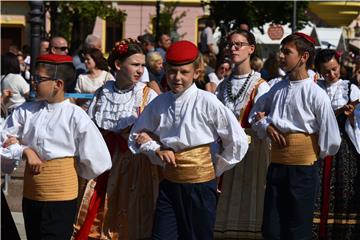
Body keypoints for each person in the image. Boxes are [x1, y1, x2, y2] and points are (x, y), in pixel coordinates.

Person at [128, 40, 249, 239]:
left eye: (184, 72)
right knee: (162, 236)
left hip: (200, 187)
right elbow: (136, 135)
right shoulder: (160, 102)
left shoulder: (207, 101)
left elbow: (237, 140)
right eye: (172, 71)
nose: (177, 77)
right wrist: (155, 149)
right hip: (169, 184)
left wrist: (214, 168)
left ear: (196, 72)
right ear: (165, 70)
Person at [0, 54, 112, 240]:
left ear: (58, 84)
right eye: (33, 78)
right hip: (31, 195)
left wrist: (67, 171)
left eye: (39, 79)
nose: (33, 83)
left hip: (61, 195)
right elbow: (3, 141)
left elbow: (98, 159)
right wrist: (25, 150)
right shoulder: (25, 111)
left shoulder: (75, 115)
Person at [249, 32, 342, 240]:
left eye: (287, 52)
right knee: (272, 229)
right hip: (276, 167)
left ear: (304, 57)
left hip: (303, 170)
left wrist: (308, 152)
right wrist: (266, 126)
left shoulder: (316, 93)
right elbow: (254, 115)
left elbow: (332, 138)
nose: (281, 56)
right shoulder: (276, 88)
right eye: (281, 51)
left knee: (297, 230)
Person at [72, 39, 159, 240]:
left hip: (134, 164)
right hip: (103, 160)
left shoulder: (147, 95)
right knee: (94, 211)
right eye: (135, 65)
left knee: (127, 213)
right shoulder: (103, 93)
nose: (140, 70)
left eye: (142, 65)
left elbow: (158, 129)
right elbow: (89, 125)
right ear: (118, 65)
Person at [214, 29, 270, 239]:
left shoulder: (260, 85)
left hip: (252, 150)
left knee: (250, 196)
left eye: (239, 44)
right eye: (231, 44)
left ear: (251, 49)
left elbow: (263, 123)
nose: (234, 48)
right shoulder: (223, 86)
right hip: (227, 149)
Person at [312, 49, 360, 240]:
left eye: (334, 69)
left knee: (343, 190)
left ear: (339, 65)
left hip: (344, 147)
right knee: (318, 188)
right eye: (326, 72)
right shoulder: (315, 88)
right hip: (320, 145)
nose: (332, 75)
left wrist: (351, 118)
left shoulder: (351, 88)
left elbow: (358, 123)